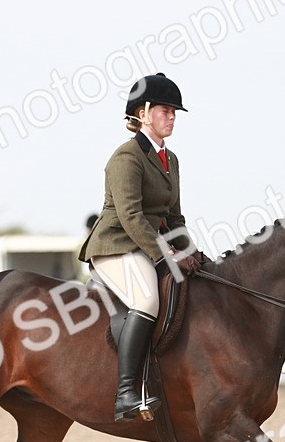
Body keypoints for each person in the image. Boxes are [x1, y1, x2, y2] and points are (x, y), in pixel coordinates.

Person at [78, 73, 200, 422]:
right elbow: (131, 216)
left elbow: (174, 217)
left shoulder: (170, 159)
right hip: (115, 245)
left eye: (175, 111)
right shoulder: (126, 158)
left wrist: (190, 251)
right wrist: (166, 255)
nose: (172, 116)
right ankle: (127, 392)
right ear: (143, 113)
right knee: (147, 298)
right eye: (165, 110)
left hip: (147, 245)